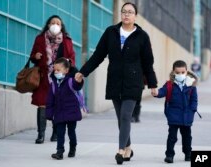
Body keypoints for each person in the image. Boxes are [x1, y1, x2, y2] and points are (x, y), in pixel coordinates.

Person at [75, 2, 157, 165]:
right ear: (121, 14)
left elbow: (148, 63)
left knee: (126, 115)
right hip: (115, 80)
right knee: (121, 117)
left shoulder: (142, 36)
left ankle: (120, 150)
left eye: (130, 12)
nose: (126, 14)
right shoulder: (111, 32)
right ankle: (128, 148)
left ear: (135, 16)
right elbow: (98, 55)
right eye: (124, 11)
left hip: (133, 82)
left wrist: (153, 84)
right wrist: (83, 72)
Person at [30, 15, 75, 144]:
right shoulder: (40, 39)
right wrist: (36, 56)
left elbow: (72, 58)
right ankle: (41, 134)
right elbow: (32, 56)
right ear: (48, 25)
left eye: (58, 23)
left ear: (61, 26)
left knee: (57, 105)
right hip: (43, 77)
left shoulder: (67, 41)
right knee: (42, 105)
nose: (55, 25)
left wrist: (68, 61)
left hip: (59, 78)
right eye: (52, 22)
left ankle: (56, 133)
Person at [152, 60, 198, 163]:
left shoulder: (191, 84)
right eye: (177, 72)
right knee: (172, 137)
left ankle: (188, 154)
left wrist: (192, 110)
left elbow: (194, 99)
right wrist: (156, 93)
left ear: (187, 71)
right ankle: (169, 155)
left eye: (183, 72)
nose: (180, 74)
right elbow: (163, 91)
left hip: (187, 116)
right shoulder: (169, 84)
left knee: (187, 137)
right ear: (173, 72)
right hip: (173, 115)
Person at [46, 58, 83, 160]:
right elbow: (50, 101)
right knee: (60, 133)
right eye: (55, 70)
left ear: (66, 70)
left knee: (71, 132)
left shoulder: (71, 81)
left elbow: (77, 85)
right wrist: (49, 114)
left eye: (58, 70)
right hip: (59, 113)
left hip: (71, 113)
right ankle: (60, 151)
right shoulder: (53, 84)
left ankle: (73, 147)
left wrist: (79, 80)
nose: (56, 72)